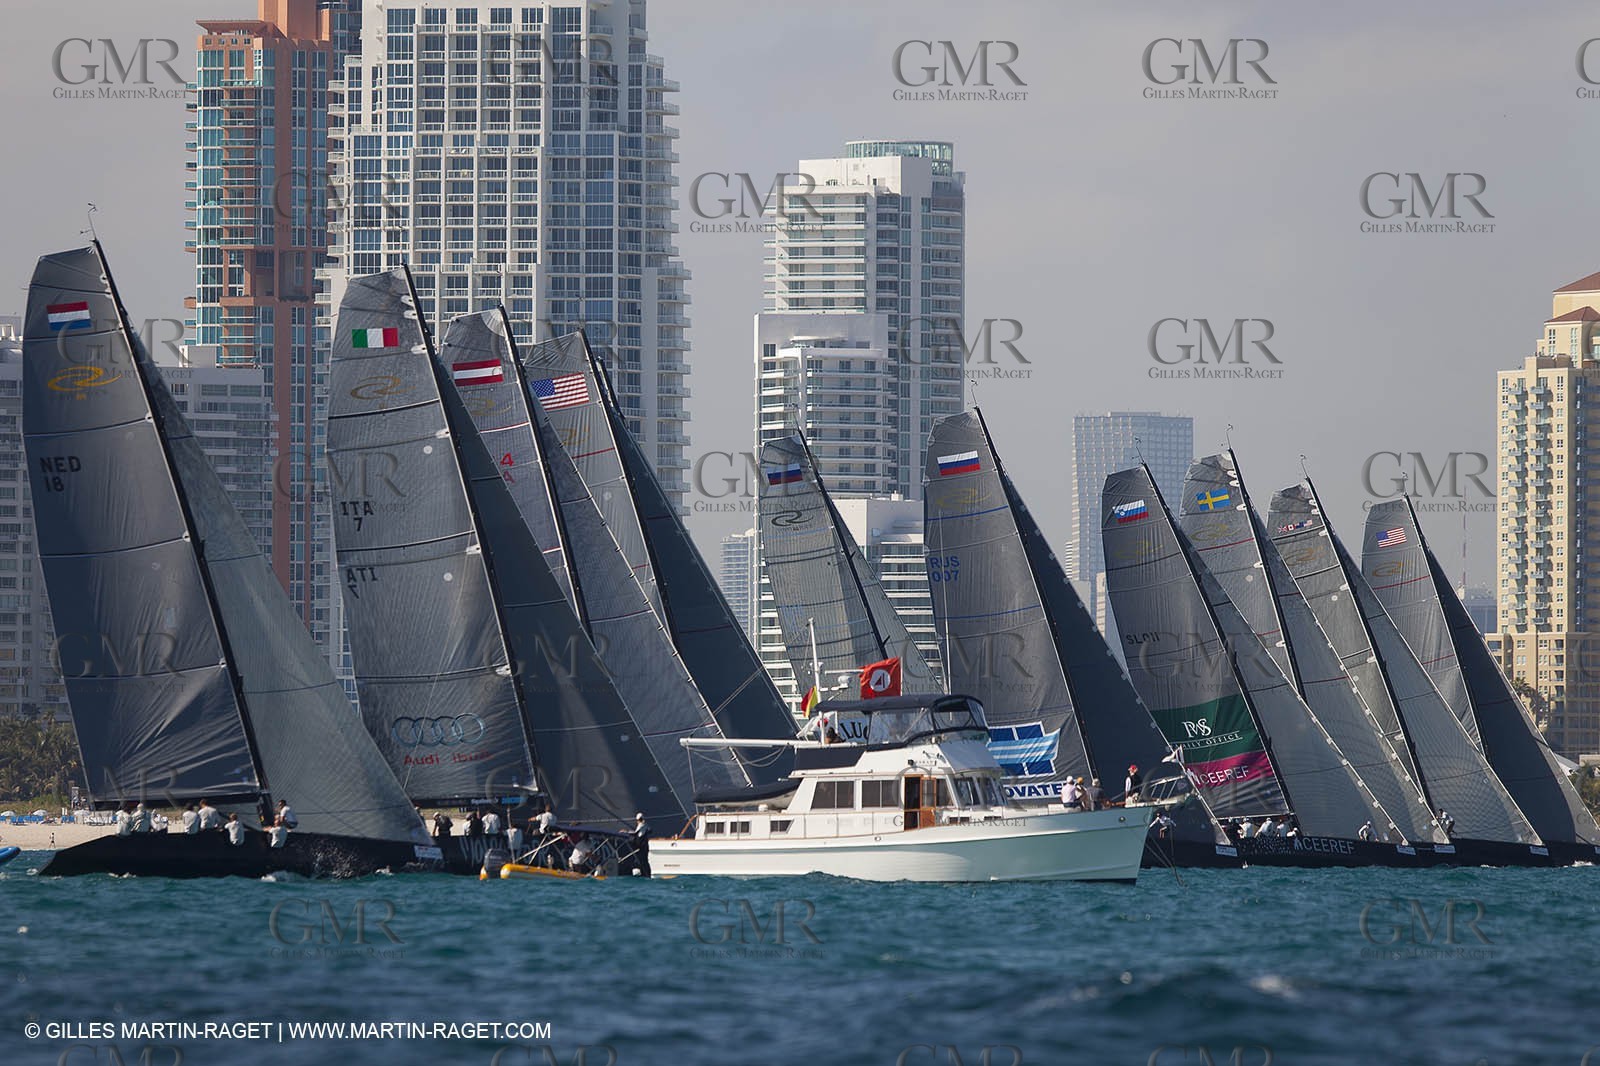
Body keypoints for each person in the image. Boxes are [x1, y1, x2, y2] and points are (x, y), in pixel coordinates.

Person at [630, 812, 651, 878]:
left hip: (642, 846)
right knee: (644, 860)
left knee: (643, 860)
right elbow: (650, 830)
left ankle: (645, 874)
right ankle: (646, 874)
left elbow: (635, 833)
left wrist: (626, 832)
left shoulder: (641, 825)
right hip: (644, 846)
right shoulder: (645, 825)